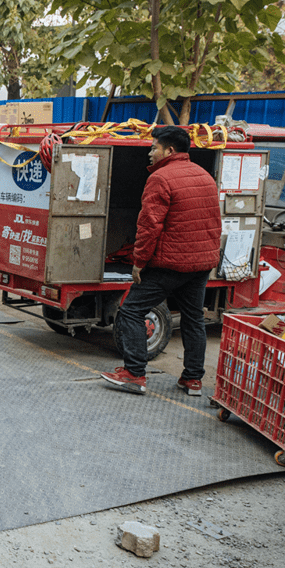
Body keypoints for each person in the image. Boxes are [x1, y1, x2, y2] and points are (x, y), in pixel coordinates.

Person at [101, 126, 220, 396]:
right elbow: (214, 222)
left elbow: (149, 225)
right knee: (193, 319)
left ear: (169, 150)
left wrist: (139, 262)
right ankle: (192, 379)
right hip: (200, 264)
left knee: (130, 311)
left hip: (169, 263)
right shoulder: (205, 176)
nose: (150, 153)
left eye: (154, 148)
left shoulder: (161, 178)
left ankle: (134, 373)